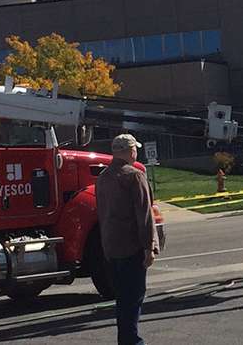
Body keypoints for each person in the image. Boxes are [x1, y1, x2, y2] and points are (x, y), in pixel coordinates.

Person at [96, 133, 159, 345]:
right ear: (130, 150)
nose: (136, 152)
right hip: (132, 248)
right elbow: (144, 215)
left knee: (122, 300)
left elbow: (102, 214)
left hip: (112, 248)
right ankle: (132, 342)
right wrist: (149, 247)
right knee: (133, 299)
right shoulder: (134, 176)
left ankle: (125, 340)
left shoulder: (103, 177)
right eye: (135, 149)